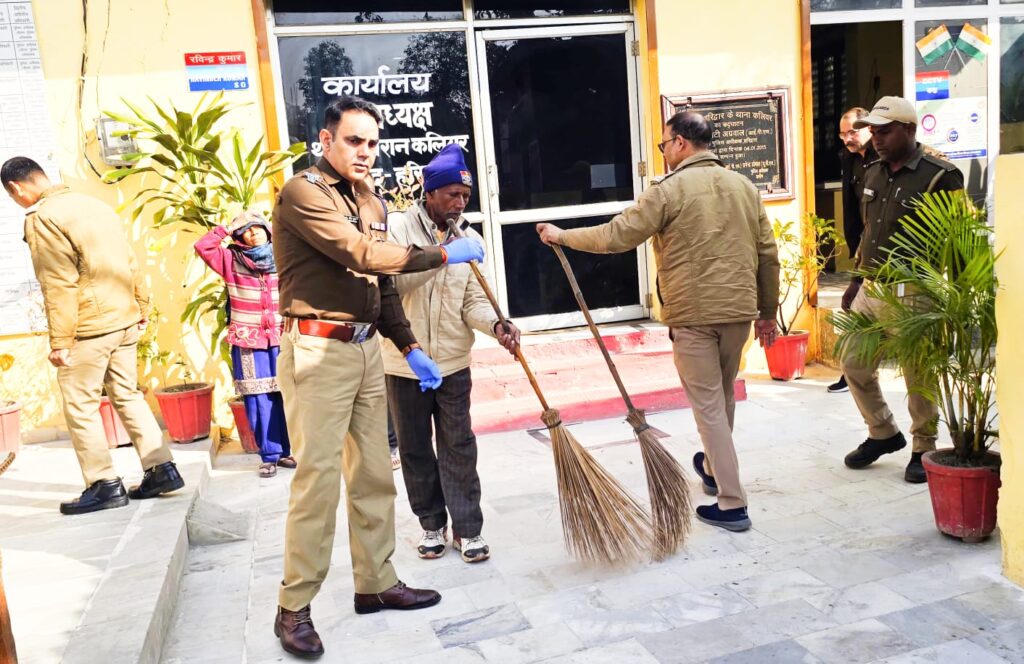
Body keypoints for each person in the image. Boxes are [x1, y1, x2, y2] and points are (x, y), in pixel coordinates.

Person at [270, 96, 486, 660]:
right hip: (318, 351)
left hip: (367, 351)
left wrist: (408, 344)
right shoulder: (303, 192)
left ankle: (376, 583)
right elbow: (361, 253)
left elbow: (379, 283)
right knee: (317, 481)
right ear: (326, 140)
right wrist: (443, 253)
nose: (365, 152)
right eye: (353, 141)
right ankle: (294, 608)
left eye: (372, 142)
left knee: (373, 475)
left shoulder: (369, 197)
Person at [537, 111, 779, 533]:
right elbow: (768, 255)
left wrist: (562, 236)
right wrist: (767, 312)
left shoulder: (669, 190)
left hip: (695, 316)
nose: (663, 152)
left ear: (682, 143)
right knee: (720, 400)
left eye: (664, 144)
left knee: (709, 409)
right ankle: (712, 469)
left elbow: (617, 236)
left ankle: (733, 504)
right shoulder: (744, 186)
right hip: (739, 313)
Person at [1, 156, 184, 515]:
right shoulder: (94, 205)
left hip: (88, 329)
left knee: (81, 406)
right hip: (124, 320)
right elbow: (130, 261)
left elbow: (58, 284)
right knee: (128, 395)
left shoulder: (43, 218)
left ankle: (103, 484)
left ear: (16, 188)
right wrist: (142, 307)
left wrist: (60, 342)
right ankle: (161, 468)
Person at [382, 144, 520, 564]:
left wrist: (497, 325)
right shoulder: (399, 231)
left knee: (459, 443)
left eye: (465, 196)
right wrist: (440, 257)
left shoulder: (470, 238)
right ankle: (430, 523)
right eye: (452, 195)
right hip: (405, 362)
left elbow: (473, 301)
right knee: (414, 447)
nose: (460, 204)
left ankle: (467, 528)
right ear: (430, 193)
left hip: (454, 361)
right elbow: (391, 288)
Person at [839, 96, 964, 484]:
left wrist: (957, 300)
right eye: (873, 130)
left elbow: (959, 243)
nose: (876, 138)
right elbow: (868, 232)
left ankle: (923, 445)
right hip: (872, 285)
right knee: (853, 361)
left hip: (914, 291)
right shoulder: (873, 172)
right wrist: (856, 279)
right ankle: (883, 432)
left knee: (918, 373)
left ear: (910, 129)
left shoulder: (939, 176)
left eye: (885, 130)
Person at [194, 211, 293, 478]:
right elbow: (203, 247)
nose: (254, 232)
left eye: (258, 227)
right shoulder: (229, 260)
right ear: (239, 237)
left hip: (283, 336)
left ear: (268, 230)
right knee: (258, 397)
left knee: (288, 393)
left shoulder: (283, 256)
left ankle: (290, 450)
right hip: (249, 341)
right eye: (246, 230)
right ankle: (270, 455)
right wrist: (226, 228)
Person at [828, 106, 877, 394]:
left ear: (869, 128)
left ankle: (855, 374)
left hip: (885, 251)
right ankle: (852, 375)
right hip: (863, 246)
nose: (848, 138)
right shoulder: (849, 159)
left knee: (860, 312)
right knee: (855, 313)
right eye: (843, 133)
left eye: (853, 132)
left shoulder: (882, 158)